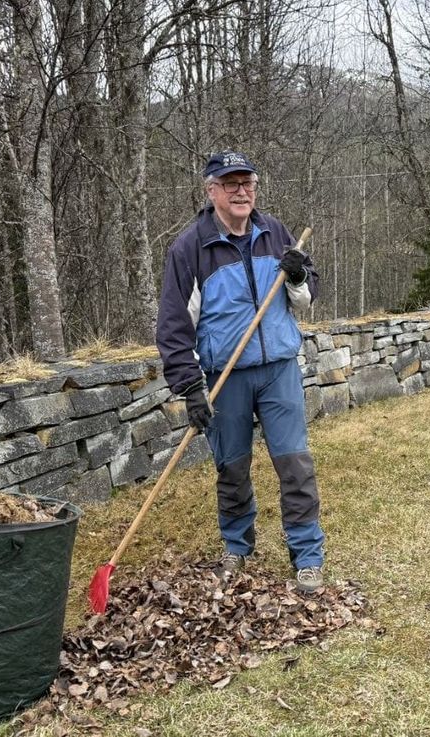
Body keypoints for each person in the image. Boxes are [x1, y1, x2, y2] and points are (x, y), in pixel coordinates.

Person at [156, 150, 327, 592]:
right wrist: (189, 386)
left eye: (247, 182)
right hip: (224, 377)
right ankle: (237, 547)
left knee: (295, 466)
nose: (241, 191)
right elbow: (174, 325)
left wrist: (295, 278)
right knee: (231, 468)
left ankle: (307, 556)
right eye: (230, 183)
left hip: (279, 371)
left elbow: (307, 298)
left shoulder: (276, 234)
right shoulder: (190, 248)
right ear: (211, 190)